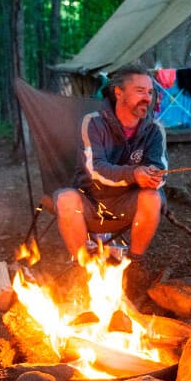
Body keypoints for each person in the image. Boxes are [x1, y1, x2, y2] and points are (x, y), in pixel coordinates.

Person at [54, 63, 167, 278]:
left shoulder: (154, 130)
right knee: (65, 199)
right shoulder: (93, 123)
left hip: (127, 203)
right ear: (119, 92)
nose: (147, 98)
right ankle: (83, 270)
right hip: (91, 200)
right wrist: (133, 174)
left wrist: (154, 177)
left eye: (150, 92)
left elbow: (161, 171)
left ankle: (133, 266)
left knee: (153, 197)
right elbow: (94, 169)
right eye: (140, 91)